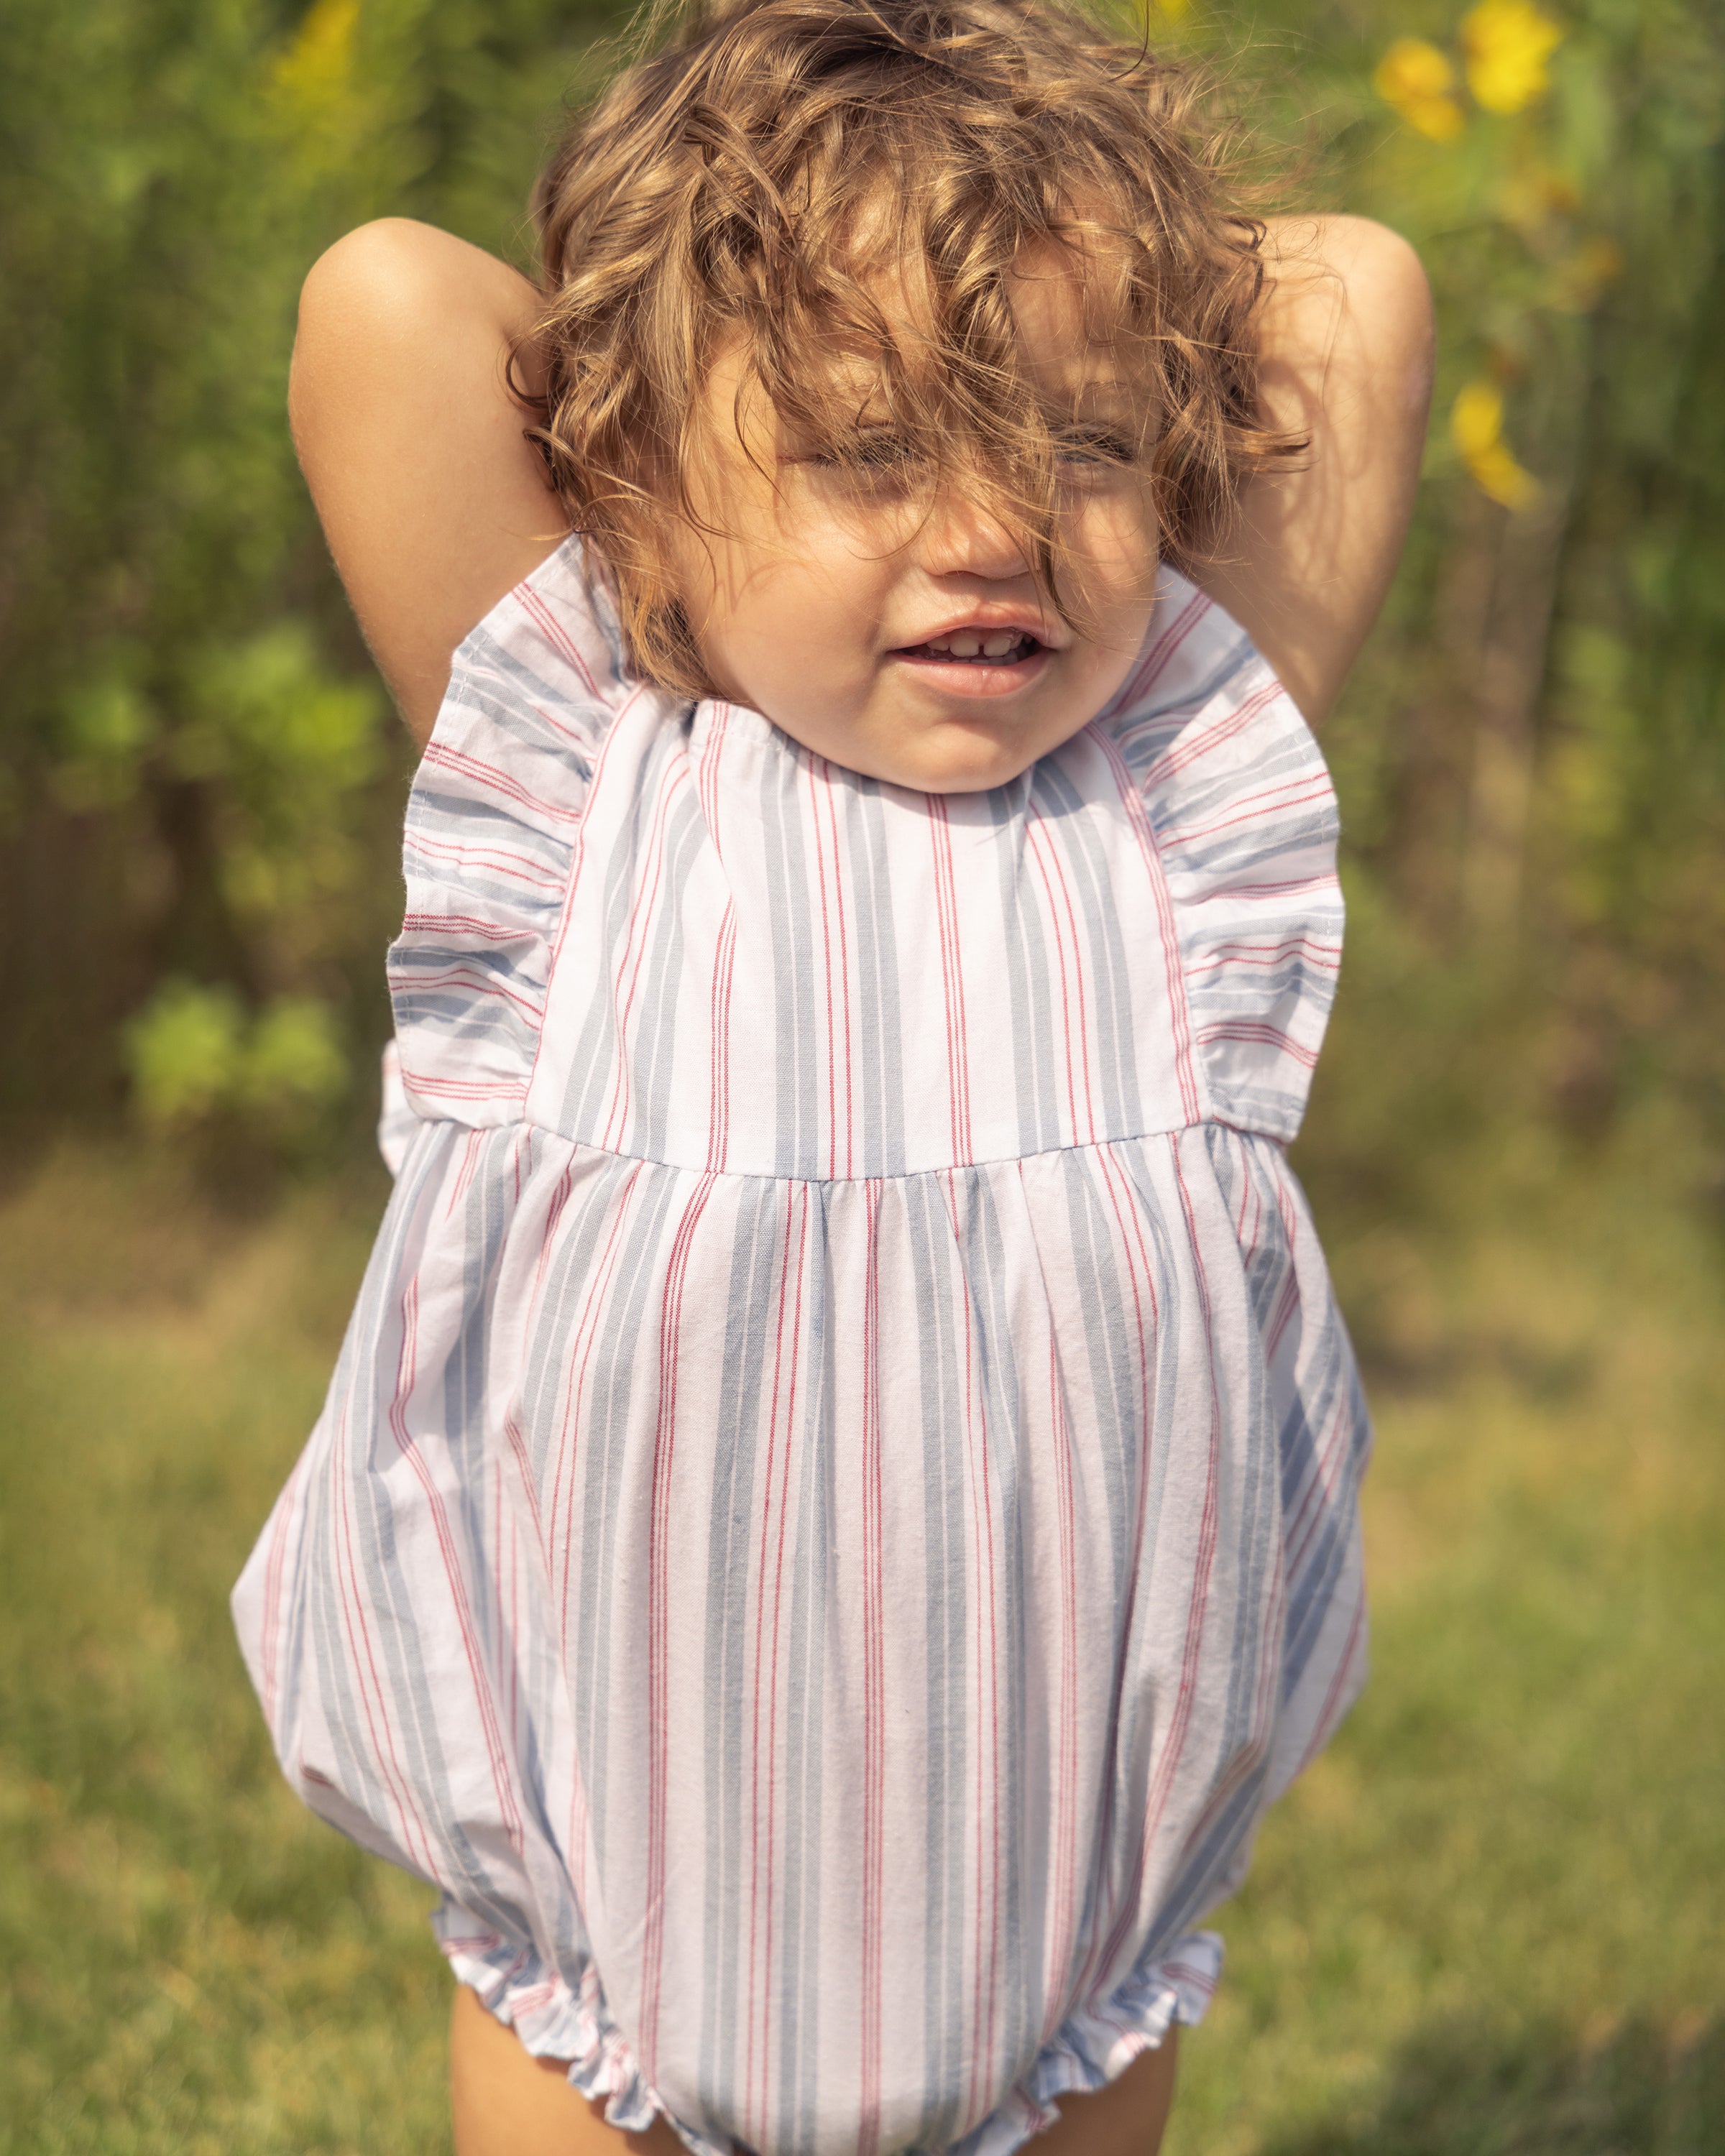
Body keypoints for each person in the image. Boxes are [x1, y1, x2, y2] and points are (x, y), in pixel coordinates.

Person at [232, 4, 1433, 2154]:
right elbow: (387, 310)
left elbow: (1349, 292)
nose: (998, 523)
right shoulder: (591, 772)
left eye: (1080, 441)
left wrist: (974, 114)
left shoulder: (1168, 789)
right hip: (604, 1916)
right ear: (630, 505)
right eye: (875, 446)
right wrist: (745, 210)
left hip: (1059, 1912)